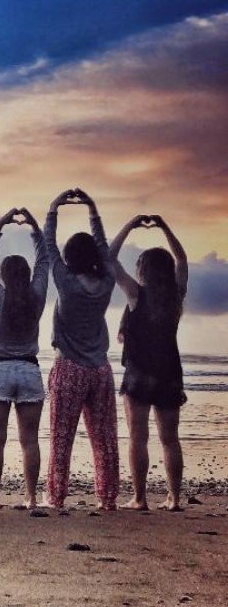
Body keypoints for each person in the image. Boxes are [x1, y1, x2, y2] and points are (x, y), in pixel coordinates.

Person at [44, 187, 118, 512]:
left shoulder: (67, 284)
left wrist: (54, 207)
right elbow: (103, 247)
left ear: (70, 259)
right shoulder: (105, 283)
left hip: (70, 368)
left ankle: (57, 497)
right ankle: (108, 499)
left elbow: (48, 245)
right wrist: (92, 207)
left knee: (61, 439)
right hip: (100, 369)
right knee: (104, 438)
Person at [110, 214, 188, 511]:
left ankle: (140, 498)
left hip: (140, 374)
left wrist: (129, 225)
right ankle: (175, 498)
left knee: (138, 437)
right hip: (169, 372)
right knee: (170, 439)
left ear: (142, 269)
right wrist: (165, 226)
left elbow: (110, 260)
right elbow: (181, 259)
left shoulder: (135, 294)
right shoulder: (176, 296)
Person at [0, 208, 49, 510]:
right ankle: (31, 497)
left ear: (3, 276)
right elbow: (44, 260)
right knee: (29, 441)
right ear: (28, 275)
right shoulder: (37, 295)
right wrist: (34, 227)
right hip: (29, 370)